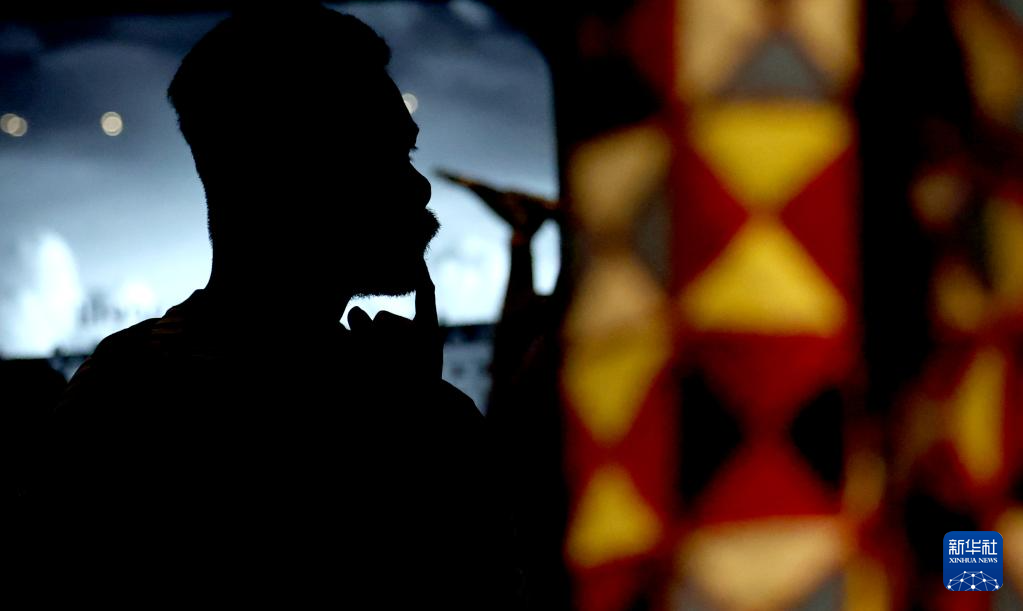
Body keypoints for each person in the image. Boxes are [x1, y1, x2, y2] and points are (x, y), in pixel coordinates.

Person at [43, 5, 521, 607]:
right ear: (289, 173)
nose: (418, 185)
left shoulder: (116, 395)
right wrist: (424, 427)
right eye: (384, 156)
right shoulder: (400, 413)